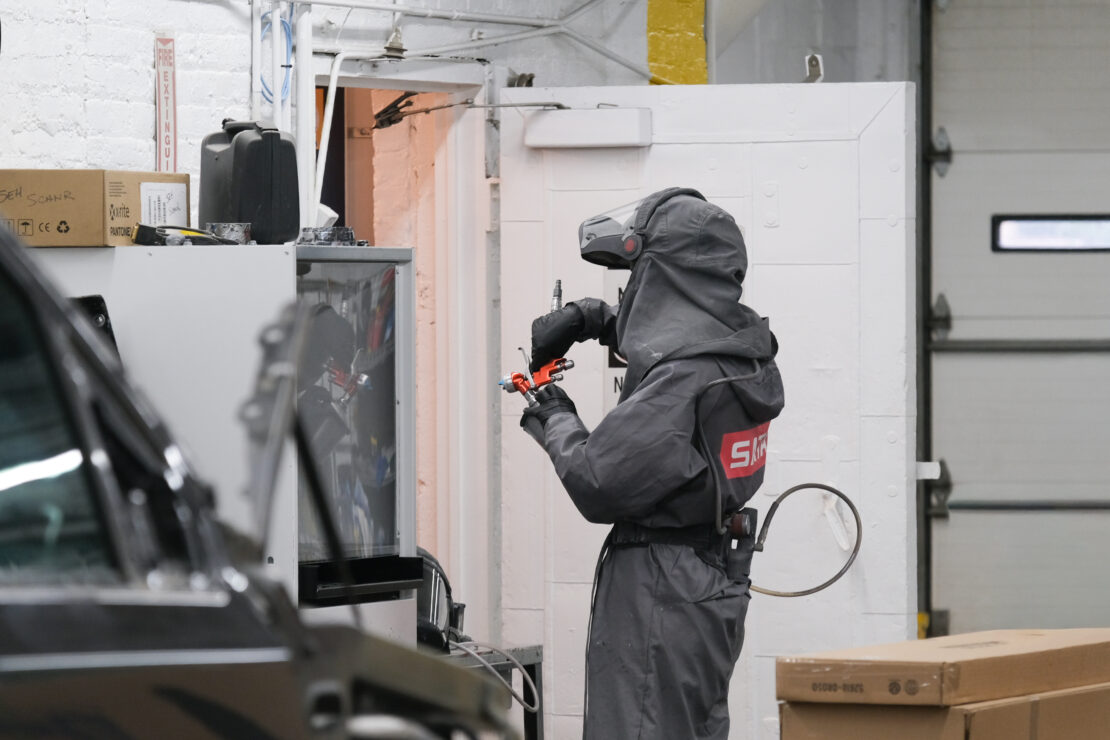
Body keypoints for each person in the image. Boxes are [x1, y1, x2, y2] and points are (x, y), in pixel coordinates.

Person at [519, 187, 785, 740]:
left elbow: (598, 481)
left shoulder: (681, 379)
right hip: (710, 582)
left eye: (639, 272)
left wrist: (553, 413)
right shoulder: (745, 350)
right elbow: (678, 329)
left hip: (659, 587)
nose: (632, 285)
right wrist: (592, 318)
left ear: (665, 276)